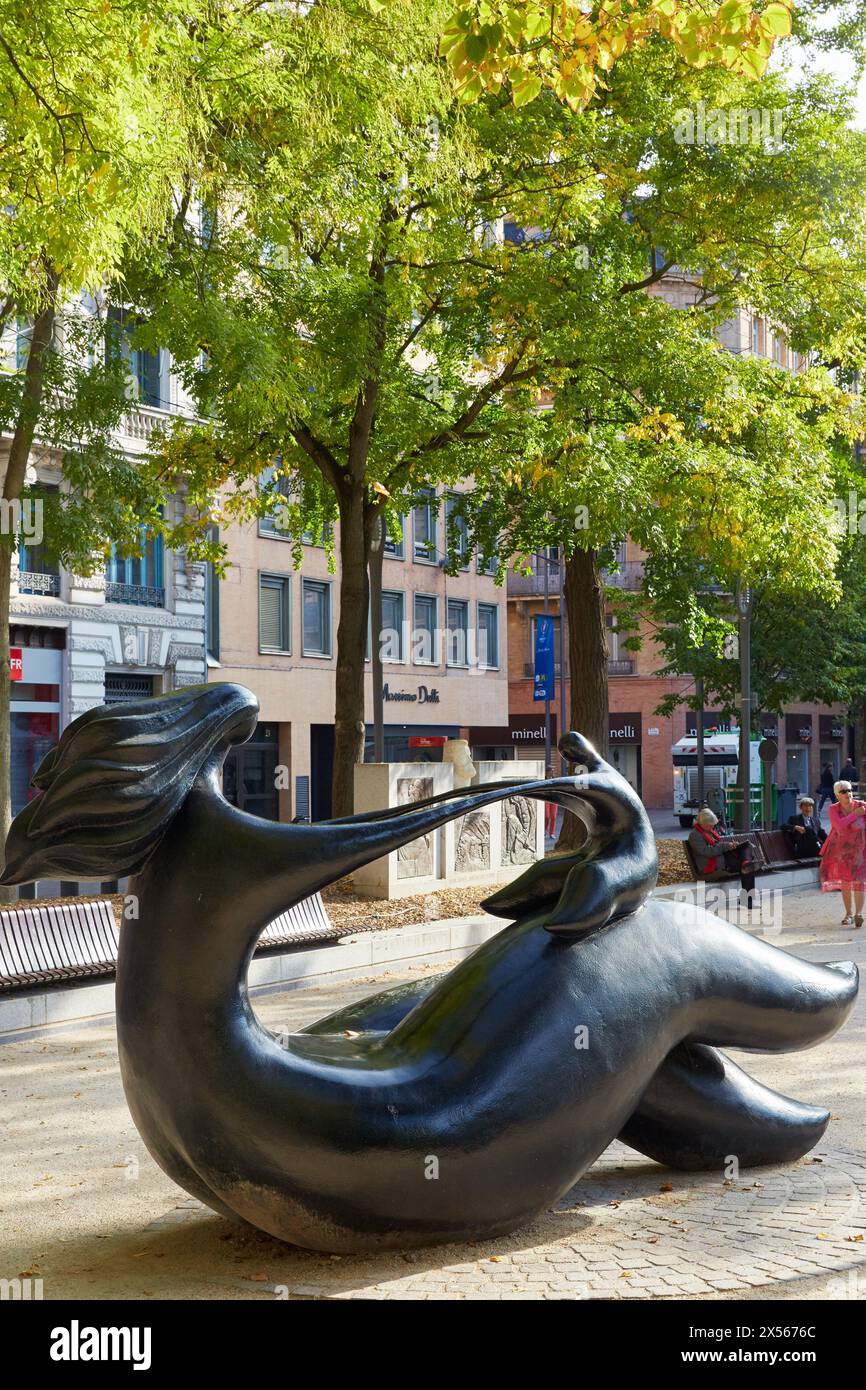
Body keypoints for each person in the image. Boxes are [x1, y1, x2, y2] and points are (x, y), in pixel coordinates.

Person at [819, 780, 866, 927]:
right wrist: (855, 815)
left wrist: (859, 812)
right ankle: (848, 914)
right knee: (845, 883)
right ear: (837, 795)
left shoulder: (862, 806)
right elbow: (838, 826)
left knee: (860, 883)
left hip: (860, 851)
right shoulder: (833, 809)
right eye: (844, 791)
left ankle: (858, 914)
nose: (848, 794)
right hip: (842, 852)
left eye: (850, 790)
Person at [688, 807, 756, 899]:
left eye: (713, 825)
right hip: (712, 863)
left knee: (746, 846)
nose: (712, 827)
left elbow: (717, 846)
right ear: (702, 823)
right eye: (710, 825)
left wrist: (731, 845)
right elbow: (707, 851)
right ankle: (746, 863)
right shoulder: (694, 835)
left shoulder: (708, 831)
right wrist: (726, 846)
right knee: (748, 867)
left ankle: (745, 862)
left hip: (720, 857)